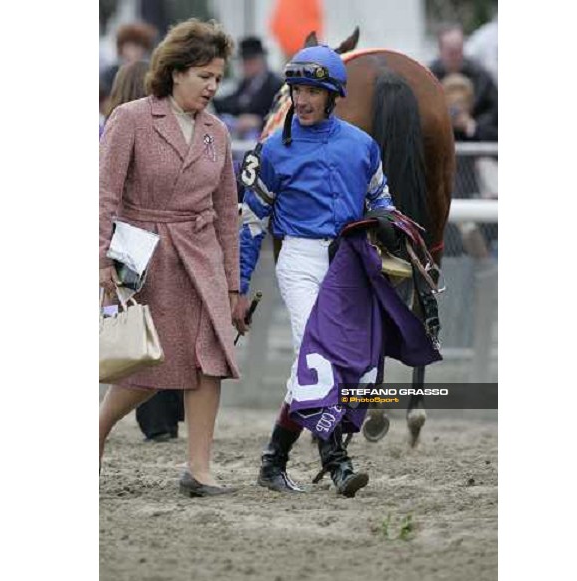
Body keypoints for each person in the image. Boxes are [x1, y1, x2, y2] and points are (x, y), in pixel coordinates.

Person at [232, 45, 399, 498]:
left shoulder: (362, 146)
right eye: (296, 90)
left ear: (332, 95)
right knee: (317, 361)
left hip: (349, 264)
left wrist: (393, 236)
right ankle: (338, 462)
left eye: (311, 91)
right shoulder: (271, 151)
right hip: (300, 261)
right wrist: (238, 288)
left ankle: (274, 459)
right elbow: (251, 226)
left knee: (358, 371)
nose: (301, 100)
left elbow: (383, 203)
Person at [99, 19, 240, 497]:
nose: (213, 86)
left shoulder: (217, 133)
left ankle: (198, 470)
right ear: (176, 71)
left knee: (208, 358)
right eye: (205, 75)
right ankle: (96, 428)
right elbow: (104, 196)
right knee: (148, 365)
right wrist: (101, 261)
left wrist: (234, 284)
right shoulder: (131, 118)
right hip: (141, 254)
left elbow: (226, 215)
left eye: (218, 77)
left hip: (200, 256)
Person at [102, 59, 186, 443]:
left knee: (138, 328)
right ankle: (160, 420)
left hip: (127, 239)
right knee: (160, 328)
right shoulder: (156, 126)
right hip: (148, 236)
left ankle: (155, 423)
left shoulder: (115, 124)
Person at [429, 24, 498, 142]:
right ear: (440, 51)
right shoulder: (427, 79)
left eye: (459, 50)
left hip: (477, 148)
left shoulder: (482, 78)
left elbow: (495, 118)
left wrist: (473, 125)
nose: (456, 57)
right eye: (451, 52)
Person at [212, 36, 283, 138]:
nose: (245, 66)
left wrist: (258, 121)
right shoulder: (246, 84)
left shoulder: (275, 85)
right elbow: (233, 102)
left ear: (260, 61)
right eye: (244, 62)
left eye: (249, 61)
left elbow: (281, 114)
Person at [100, 22, 158, 94]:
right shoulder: (111, 74)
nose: (135, 51)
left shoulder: (150, 73)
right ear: (121, 48)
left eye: (139, 46)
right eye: (130, 46)